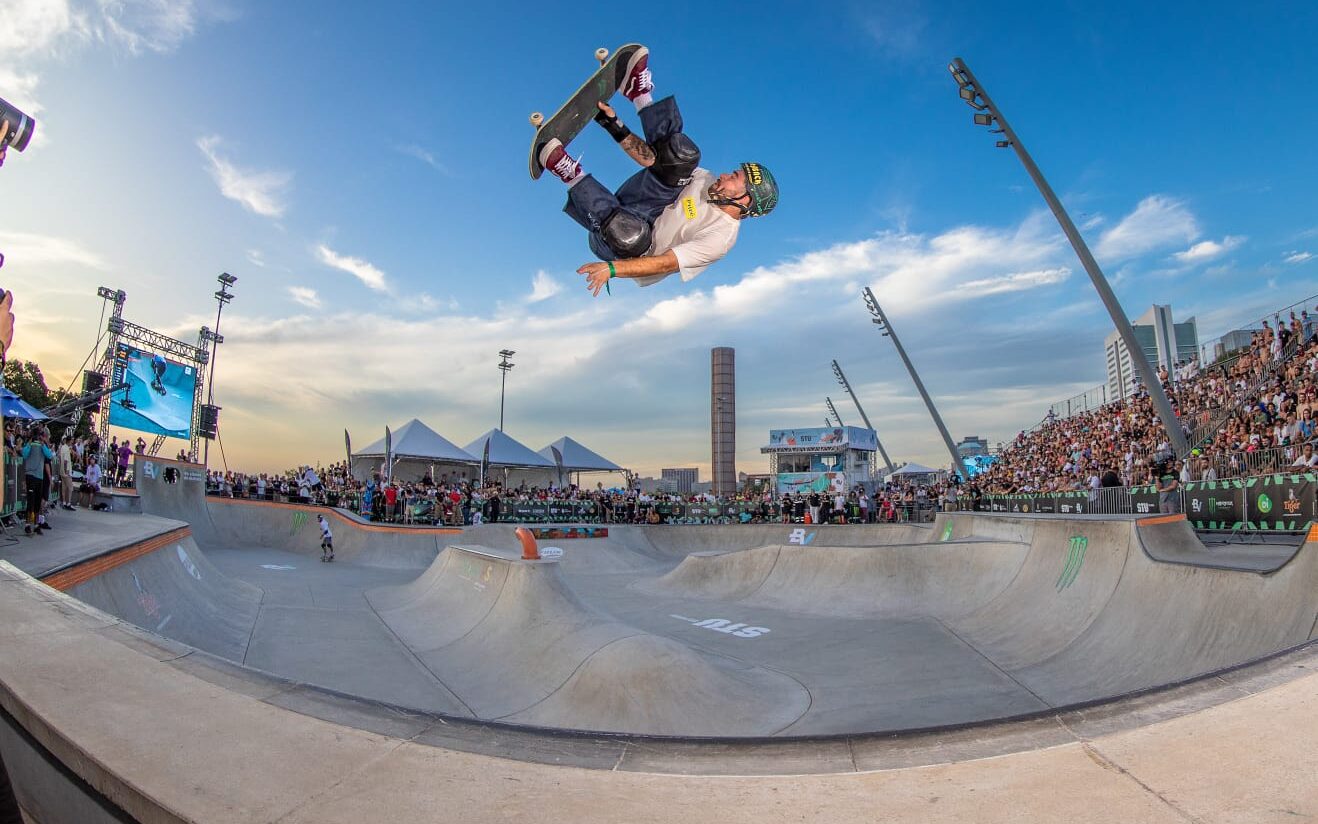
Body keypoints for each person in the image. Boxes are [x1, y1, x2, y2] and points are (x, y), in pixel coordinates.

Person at [537, 47, 779, 297]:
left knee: (630, 234)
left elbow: (664, 263)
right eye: (732, 172)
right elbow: (652, 160)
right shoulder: (706, 180)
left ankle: (567, 171)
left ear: (745, 200)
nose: (725, 176)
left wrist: (611, 269)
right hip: (643, 202)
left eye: (734, 178)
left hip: (625, 244)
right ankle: (640, 93)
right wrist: (614, 125)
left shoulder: (720, 238)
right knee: (682, 157)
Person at [21, 430, 53, 536]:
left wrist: (44, 444)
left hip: (39, 477)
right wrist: (29, 444)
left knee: (37, 502)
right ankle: (27, 525)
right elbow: (24, 454)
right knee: (31, 501)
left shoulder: (43, 447)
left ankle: (36, 525)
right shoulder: (29, 445)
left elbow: (49, 456)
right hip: (30, 476)